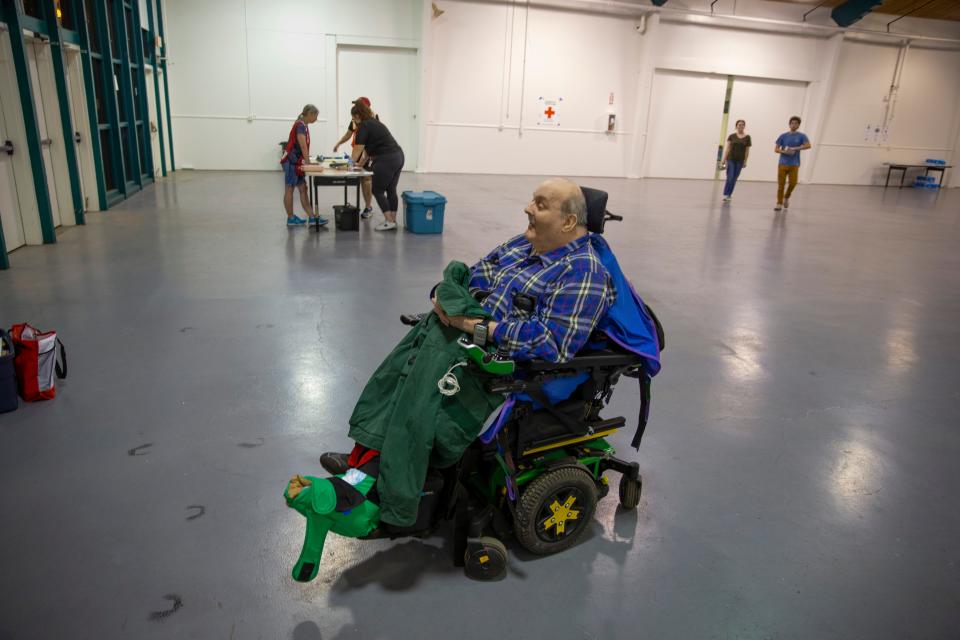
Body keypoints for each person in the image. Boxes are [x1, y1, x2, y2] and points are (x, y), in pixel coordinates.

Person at [318, 178, 617, 527]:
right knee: (394, 381)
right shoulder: (523, 245)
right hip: (461, 335)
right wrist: (445, 298)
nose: (527, 209)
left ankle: (365, 487)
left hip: (499, 364)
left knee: (417, 408)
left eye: (540, 204)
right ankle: (364, 462)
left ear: (568, 222)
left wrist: (473, 326)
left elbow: (552, 342)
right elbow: (474, 275)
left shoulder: (584, 272)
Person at [349, 101, 404, 231]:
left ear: (358, 115)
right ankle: (393, 220)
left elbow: (358, 149)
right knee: (391, 189)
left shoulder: (363, 126)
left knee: (377, 190)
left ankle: (389, 221)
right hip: (398, 156)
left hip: (386, 159)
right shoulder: (375, 123)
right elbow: (368, 151)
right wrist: (360, 165)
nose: (353, 121)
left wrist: (350, 165)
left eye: (353, 117)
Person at [280, 104, 327, 226]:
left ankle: (312, 217)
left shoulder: (303, 125)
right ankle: (290, 218)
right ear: (310, 114)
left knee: (303, 189)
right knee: (289, 189)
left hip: (297, 161)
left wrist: (306, 161)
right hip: (291, 162)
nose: (316, 119)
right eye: (315, 116)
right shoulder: (300, 126)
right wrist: (308, 162)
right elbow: (303, 146)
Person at [333, 97, 376, 219]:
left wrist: (362, 158)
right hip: (357, 150)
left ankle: (368, 207)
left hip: (367, 152)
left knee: (366, 178)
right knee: (358, 177)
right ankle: (357, 206)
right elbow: (348, 133)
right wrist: (339, 143)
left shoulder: (373, 120)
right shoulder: (355, 119)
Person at [774, 115, 811, 212]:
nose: (794, 125)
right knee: (780, 185)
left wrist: (795, 148)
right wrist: (784, 151)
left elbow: (808, 145)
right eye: (792, 123)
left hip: (794, 164)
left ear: (798, 125)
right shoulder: (783, 136)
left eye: (796, 123)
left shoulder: (802, 136)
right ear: (789, 124)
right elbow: (776, 149)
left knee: (793, 183)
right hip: (782, 163)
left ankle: (786, 197)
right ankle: (779, 203)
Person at [720, 119, 751, 201]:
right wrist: (723, 159)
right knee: (730, 177)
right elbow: (728, 148)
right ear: (736, 126)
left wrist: (745, 161)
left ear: (744, 126)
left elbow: (747, 151)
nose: (740, 126)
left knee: (734, 178)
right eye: (739, 124)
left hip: (740, 161)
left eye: (742, 124)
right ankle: (726, 193)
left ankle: (729, 195)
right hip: (731, 159)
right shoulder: (732, 136)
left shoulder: (747, 137)